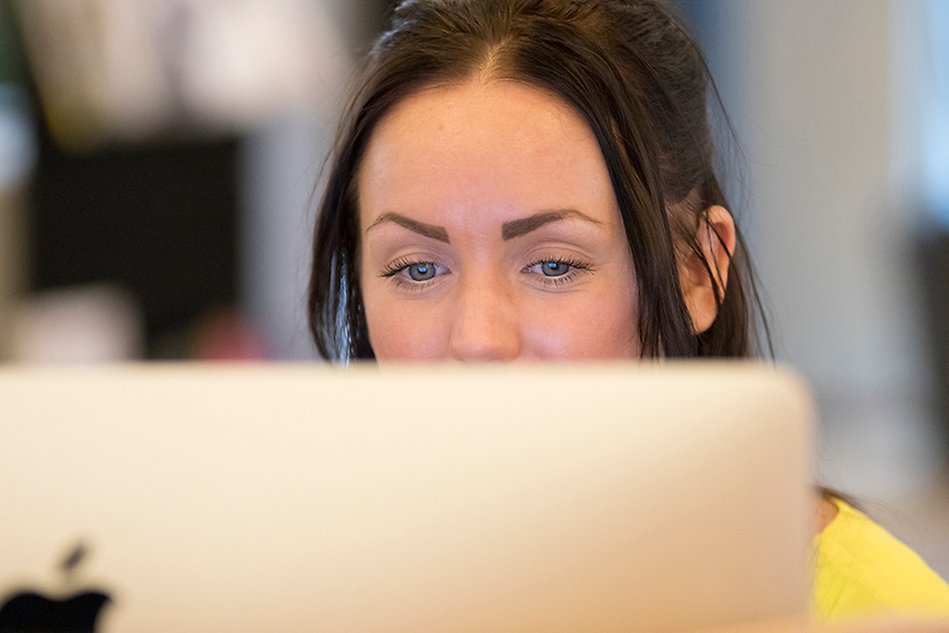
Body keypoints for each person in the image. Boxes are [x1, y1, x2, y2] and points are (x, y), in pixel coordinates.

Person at [307, 0, 949, 626]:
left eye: (553, 265)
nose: (478, 339)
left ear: (698, 270)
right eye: (417, 269)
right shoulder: (305, 582)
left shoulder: (871, 610)